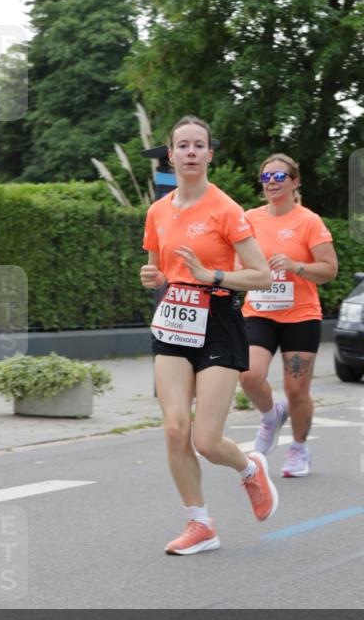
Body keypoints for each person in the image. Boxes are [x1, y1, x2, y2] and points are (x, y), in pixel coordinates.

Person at [140, 116, 278, 555]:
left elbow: (260, 276)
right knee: (174, 429)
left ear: (209, 154)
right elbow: (158, 269)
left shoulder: (226, 209)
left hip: (218, 319)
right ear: (172, 154)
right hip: (174, 320)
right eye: (183, 145)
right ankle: (200, 523)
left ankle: (249, 468)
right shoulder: (158, 211)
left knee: (206, 440)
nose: (191, 152)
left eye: (199, 145)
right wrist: (152, 276)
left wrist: (211, 274)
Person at [239, 153, 338, 477]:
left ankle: (299, 448)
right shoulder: (249, 218)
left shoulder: (308, 221)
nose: (271, 183)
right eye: (266, 177)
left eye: (279, 177)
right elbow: (236, 259)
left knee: (296, 389)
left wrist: (297, 266)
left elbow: (329, 269)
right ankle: (271, 415)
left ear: (295, 182)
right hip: (259, 310)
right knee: (249, 375)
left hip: (300, 314)